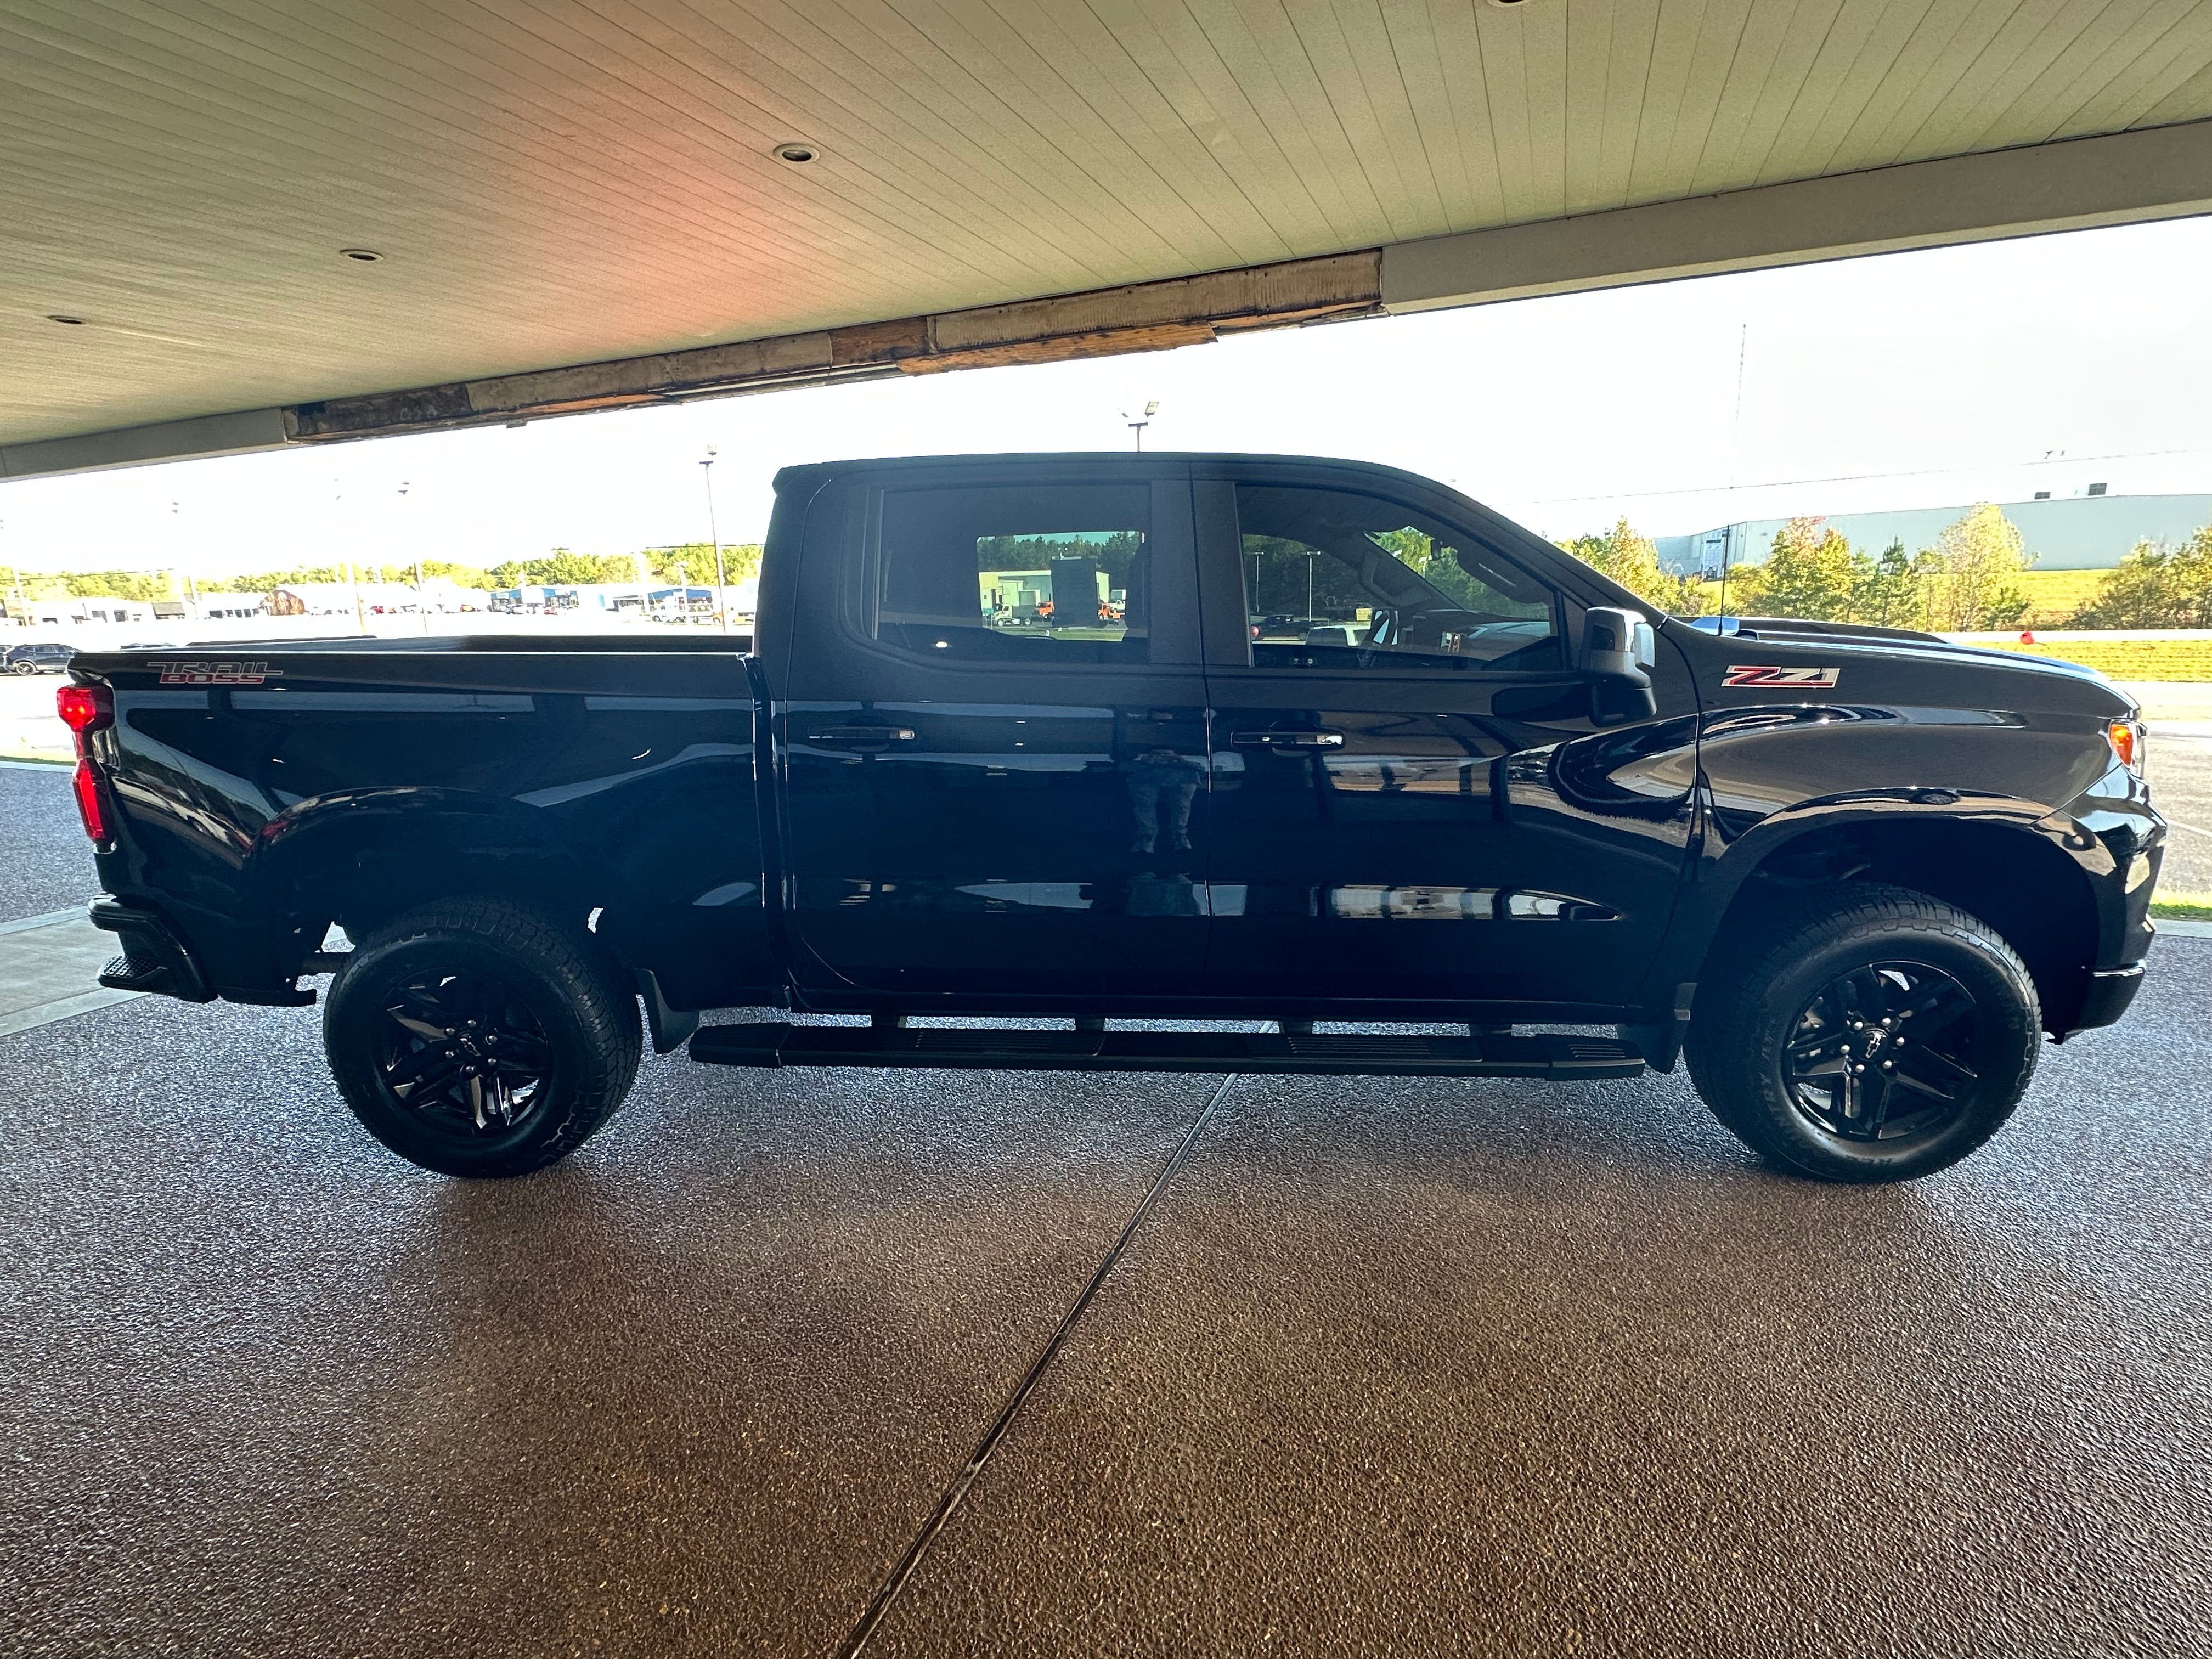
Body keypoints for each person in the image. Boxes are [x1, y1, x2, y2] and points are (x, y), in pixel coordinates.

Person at [1122, 745, 1201, 854]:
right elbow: (1123, 768)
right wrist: (1143, 762)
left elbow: (1199, 767)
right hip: (1147, 778)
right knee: (1144, 805)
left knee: (1182, 806)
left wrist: (1180, 761)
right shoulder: (1142, 764)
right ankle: (1147, 839)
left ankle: (1179, 837)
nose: (1162, 757)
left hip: (1180, 779)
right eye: (1157, 754)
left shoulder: (1184, 766)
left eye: (1166, 754)